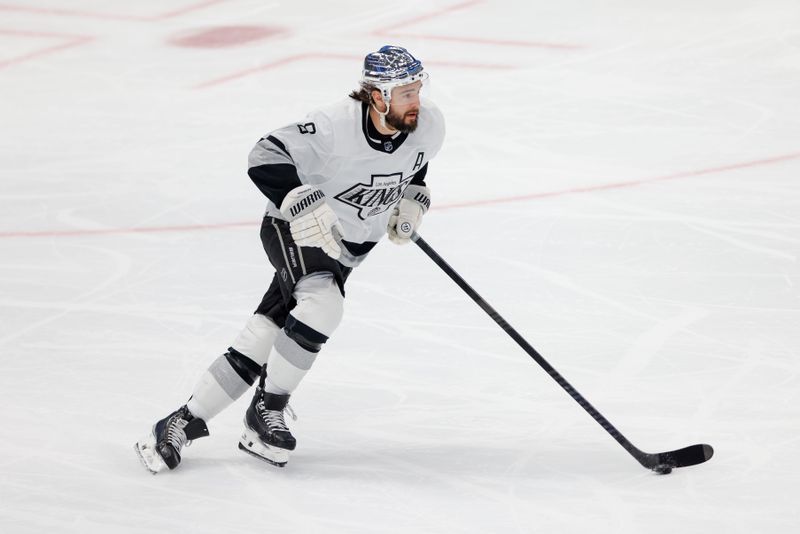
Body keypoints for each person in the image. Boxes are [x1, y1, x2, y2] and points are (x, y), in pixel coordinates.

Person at [135, 45, 445, 473]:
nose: (416, 102)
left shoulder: (427, 125)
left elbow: (415, 166)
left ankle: (182, 422)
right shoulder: (333, 126)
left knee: (269, 332)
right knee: (322, 305)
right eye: (405, 94)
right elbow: (263, 156)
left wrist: (413, 201)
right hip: (293, 229)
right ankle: (267, 410)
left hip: (347, 246)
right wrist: (299, 198)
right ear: (377, 96)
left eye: (417, 89)